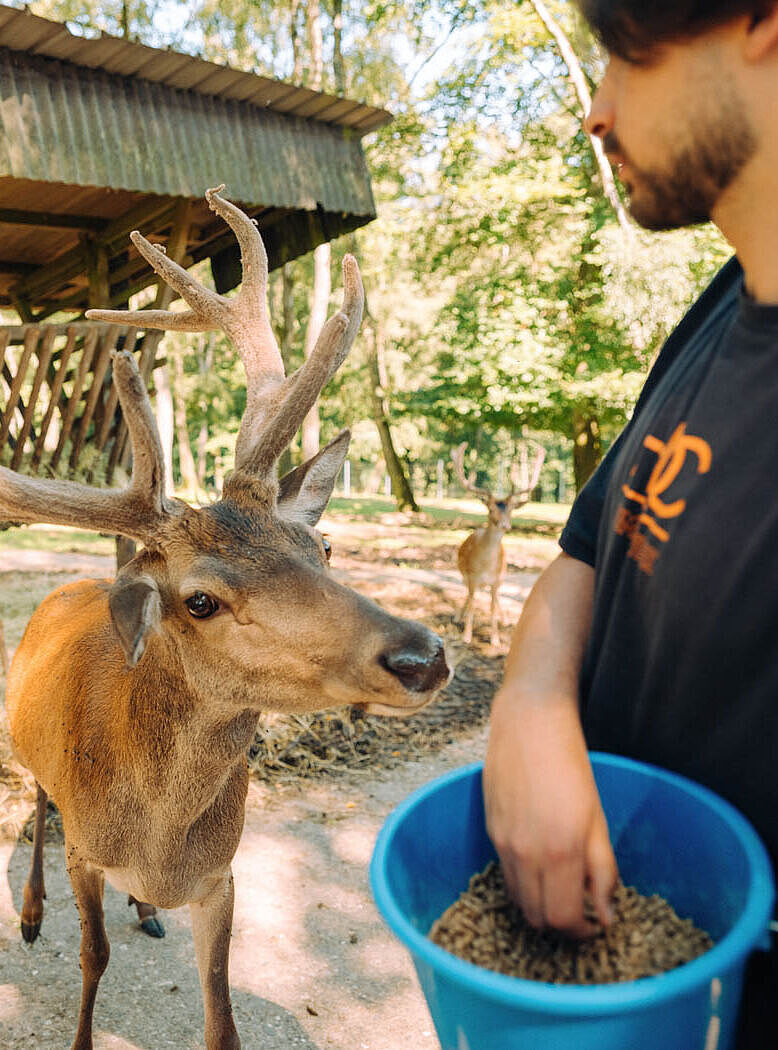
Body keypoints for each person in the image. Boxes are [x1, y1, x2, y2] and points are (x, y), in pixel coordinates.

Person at [482, 2, 778, 1045]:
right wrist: (529, 702)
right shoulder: (722, 304)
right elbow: (587, 550)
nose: (594, 112)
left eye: (621, 54)